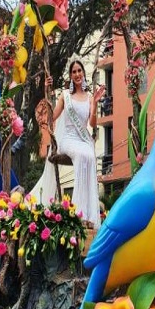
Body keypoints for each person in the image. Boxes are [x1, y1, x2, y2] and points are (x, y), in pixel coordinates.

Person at [31, 59, 105, 228]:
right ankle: (77, 213)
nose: (77, 74)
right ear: (71, 76)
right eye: (74, 72)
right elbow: (52, 117)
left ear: (83, 74)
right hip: (68, 140)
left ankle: (89, 215)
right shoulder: (65, 96)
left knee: (90, 157)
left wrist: (95, 105)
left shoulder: (90, 97)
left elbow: (92, 124)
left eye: (79, 71)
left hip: (83, 139)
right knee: (81, 155)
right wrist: (46, 90)